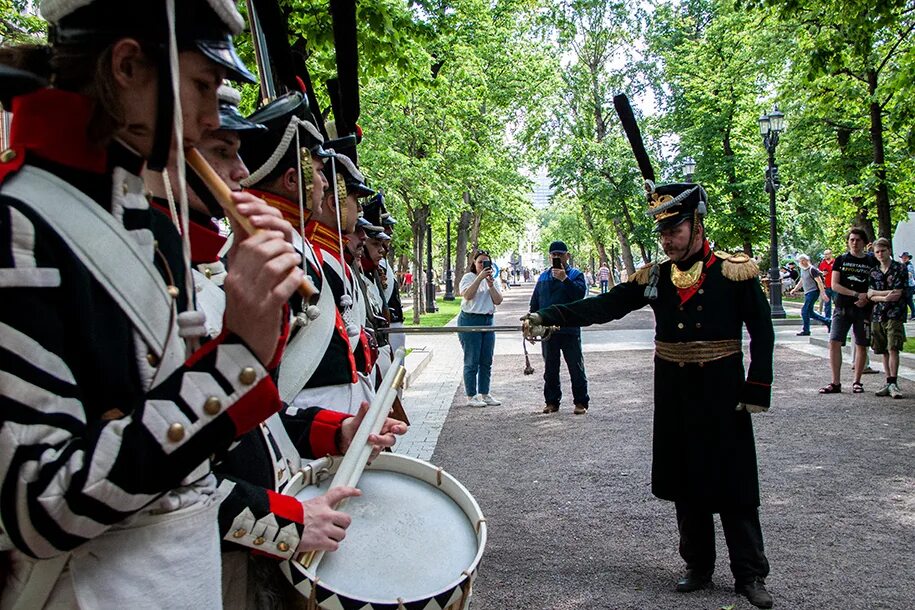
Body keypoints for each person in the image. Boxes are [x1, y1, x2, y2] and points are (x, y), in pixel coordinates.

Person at [0, 0, 313, 606]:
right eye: (201, 85)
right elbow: (41, 506)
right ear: (126, 66)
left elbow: (193, 453)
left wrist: (254, 310)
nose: (203, 120)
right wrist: (237, 353)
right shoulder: (19, 224)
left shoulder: (148, 225)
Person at [523, 96, 774, 608]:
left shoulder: (734, 271)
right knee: (686, 479)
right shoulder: (656, 277)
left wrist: (757, 385)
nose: (667, 240)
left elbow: (763, 332)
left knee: (733, 481)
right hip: (675, 388)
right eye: (661, 231)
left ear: (697, 226)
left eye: (674, 230)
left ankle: (750, 574)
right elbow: (607, 305)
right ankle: (698, 566)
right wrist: (550, 317)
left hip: (724, 389)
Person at [529, 240, 590, 414]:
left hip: (570, 328)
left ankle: (580, 402)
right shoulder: (543, 277)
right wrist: (531, 325)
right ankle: (552, 402)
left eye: (560, 254)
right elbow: (535, 303)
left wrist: (565, 279)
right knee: (550, 369)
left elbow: (579, 296)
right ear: (550, 256)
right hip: (548, 330)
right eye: (554, 254)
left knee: (576, 367)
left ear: (567, 256)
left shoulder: (576, 275)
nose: (556, 257)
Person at [820, 228, 879, 394]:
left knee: (861, 344)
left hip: (864, 308)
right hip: (843, 307)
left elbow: (876, 283)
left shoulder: (871, 261)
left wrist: (866, 297)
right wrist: (855, 294)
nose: (854, 243)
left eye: (858, 240)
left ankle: (857, 381)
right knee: (834, 342)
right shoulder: (841, 260)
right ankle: (835, 382)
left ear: (864, 242)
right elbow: (835, 284)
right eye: (851, 240)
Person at [459, 249, 503, 407]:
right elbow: (467, 295)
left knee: (486, 359)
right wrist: (479, 278)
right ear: (474, 263)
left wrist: (491, 284)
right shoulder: (468, 277)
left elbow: (498, 300)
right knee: (472, 359)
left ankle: (485, 393)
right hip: (470, 319)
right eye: (480, 262)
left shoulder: (493, 279)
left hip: (488, 320)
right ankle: (471, 395)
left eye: (486, 263)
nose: (483, 266)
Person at [869, 238, 906, 398]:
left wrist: (877, 294)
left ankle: (893, 382)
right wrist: (884, 296)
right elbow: (870, 294)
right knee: (883, 349)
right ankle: (888, 380)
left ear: (889, 251)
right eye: (877, 252)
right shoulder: (874, 271)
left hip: (894, 313)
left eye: (882, 251)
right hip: (878, 314)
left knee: (893, 347)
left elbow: (898, 292)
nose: (880, 254)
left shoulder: (900, 268)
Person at [789, 254, 830, 336]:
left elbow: (819, 282)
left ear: (805, 260)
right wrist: (794, 289)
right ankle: (828, 321)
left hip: (813, 292)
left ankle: (806, 330)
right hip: (807, 293)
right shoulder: (803, 270)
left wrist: (823, 293)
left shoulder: (812, 269)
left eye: (801, 260)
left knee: (804, 311)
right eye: (799, 261)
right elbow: (802, 280)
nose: (800, 262)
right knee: (810, 312)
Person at [818, 249, 835, 319]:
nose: (825, 256)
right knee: (827, 303)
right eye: (824, 254)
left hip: (834, 286)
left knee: (837, 302)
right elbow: (818, 275)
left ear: (831, 254)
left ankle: (836, 318)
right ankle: (827, 318)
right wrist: (823, 274)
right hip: (826, 286)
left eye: (827, 254)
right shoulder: (822, 264)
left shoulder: (835, 262)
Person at [900, 251, 915, 320]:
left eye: (905, 258)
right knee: (907, 300)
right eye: (903, 258)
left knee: (909, 300)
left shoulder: (909, 265)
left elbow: (910, 274)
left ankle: (914, 314)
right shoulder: (904, 265)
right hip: (906, 285)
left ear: (908, 258)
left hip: (910, 285)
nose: (904, 259)